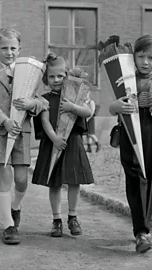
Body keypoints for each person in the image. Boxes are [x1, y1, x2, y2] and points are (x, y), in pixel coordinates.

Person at [108, 35, 152, 253]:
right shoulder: (125, 80)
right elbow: (112, 109)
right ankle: (142, 232)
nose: (145, 62)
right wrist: (117, 106)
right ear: (134, 58)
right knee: (135, 179)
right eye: (140, 56)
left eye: (151, 57)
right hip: (130, 136)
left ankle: (143, 228)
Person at [0, 27, 49, 245]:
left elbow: (42, 102)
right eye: (4, 48)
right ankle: (8, 225)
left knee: (21, 179)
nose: (8, 52)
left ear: (19, 49)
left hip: (21, 132)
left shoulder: (29, 74)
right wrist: (4, 121)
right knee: (5, 174)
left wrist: (32, 103)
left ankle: (15, 206)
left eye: (13, 48)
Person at [32, 53, 95, 238]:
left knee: (74, 181)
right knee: (55, 182)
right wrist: (54, 138)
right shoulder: (44, 98)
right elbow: (44, 121)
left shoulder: (75, 96)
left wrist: (73, 108)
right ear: (46, 79)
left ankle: (73, 216)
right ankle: (56, 219)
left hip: (72, 141)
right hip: (53, 143)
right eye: (51, 76)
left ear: (67, 76)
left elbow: (88, 112)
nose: (56, 80)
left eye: (60, 76)